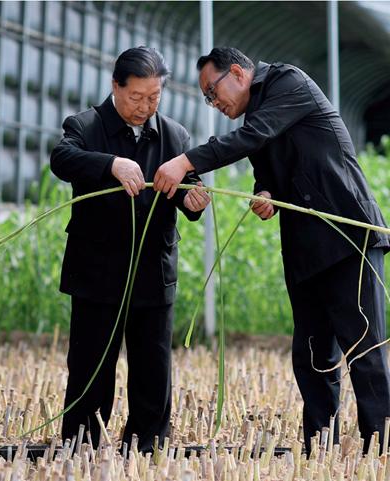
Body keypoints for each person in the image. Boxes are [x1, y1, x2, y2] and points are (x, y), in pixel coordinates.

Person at [153, 47, 390, 454]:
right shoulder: (256, 116)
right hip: (306, 249)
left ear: (238, 73)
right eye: (207, 98)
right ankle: (320, 447)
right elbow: (269, 176)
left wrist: (185, 161)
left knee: (364, 349)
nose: (214, 103)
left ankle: (382, 448)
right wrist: (266, 196)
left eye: (213, 92)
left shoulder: (288, 83)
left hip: (347, 237)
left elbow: (252, 136)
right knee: (313, 356)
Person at [50, 46, 210, 453]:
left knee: (153, 369)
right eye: (136, 97)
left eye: (154, 97)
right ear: (114, 86)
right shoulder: (85, 126)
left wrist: (194, 200)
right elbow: (62, 159)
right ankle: (82, 447)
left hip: (153, 272)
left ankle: (148, 448)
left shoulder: (175, 135)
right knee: (91, 367)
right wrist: (111, 165)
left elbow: (190, 190)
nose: (144, 106)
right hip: (96, 273)